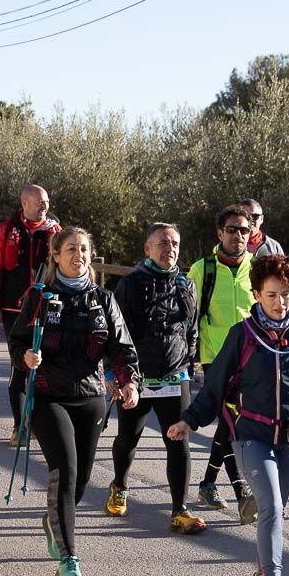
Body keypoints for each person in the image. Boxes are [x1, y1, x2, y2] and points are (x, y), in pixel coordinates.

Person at [169, 255, 289, 576]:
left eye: (286, 294)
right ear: (257, 294)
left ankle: (261, 574)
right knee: (271, 506)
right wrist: (189, 421)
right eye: (271, 295)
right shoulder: (242, 335)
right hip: (251, 436)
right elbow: (214, 386)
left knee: (277, 509)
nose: (280, 302)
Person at [9, 226, 140, 576]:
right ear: (55, 255)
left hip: (90, 398)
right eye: (70, 248)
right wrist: (24, 357)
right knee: (65, 471)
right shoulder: (39, 296)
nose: (78, 255)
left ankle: (55, 517)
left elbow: (121, 346)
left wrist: (129, 381)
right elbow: (17, 340)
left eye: (83, 249)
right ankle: (68, 558)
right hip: (49, 397)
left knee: (80, 480)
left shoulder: (102, 299)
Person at [107, 222, 205, 534]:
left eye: (174, 243)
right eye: (162, 243)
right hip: (137, 378)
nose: (170, 249)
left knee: (179, 442)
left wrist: (188, 362)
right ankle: (119, 484)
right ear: (147, 249)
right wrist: (116, 374)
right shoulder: (131, 283)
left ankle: (180, 510)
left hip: (175, 377)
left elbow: (191, 327)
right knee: (128, 438)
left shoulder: (186, 284)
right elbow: (115, 331)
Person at [188, 205, 257, 520]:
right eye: (232, 229)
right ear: (219, 233)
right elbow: (190, 317)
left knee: (231, 421)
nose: (238, 235)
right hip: (215, 356)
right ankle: (243, 492)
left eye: (244, 229)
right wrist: (188, 360)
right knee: (231, 420)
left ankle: (207, 483)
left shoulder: (257, 270)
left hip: (251, 359)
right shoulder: (203, 270)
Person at [0, 184, 60, 444]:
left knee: (44, 367)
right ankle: (20, 426)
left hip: (47, 307)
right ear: (24, 203)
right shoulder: (6, 230)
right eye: (40, 202)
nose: (45, 207)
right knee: (20, 366)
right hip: (12, 309)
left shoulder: (55, 231)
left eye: (47, 202)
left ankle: (41, 423)